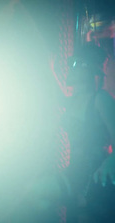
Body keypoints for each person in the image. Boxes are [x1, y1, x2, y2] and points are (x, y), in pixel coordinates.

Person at [62, 43, 115, 222]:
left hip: (95, 175)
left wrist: (112, 161)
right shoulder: (73, 100)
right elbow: (54, 96)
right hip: (75, 170)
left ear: (86, 69)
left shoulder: (101, 99)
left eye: (75, 64)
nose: (70, 68)